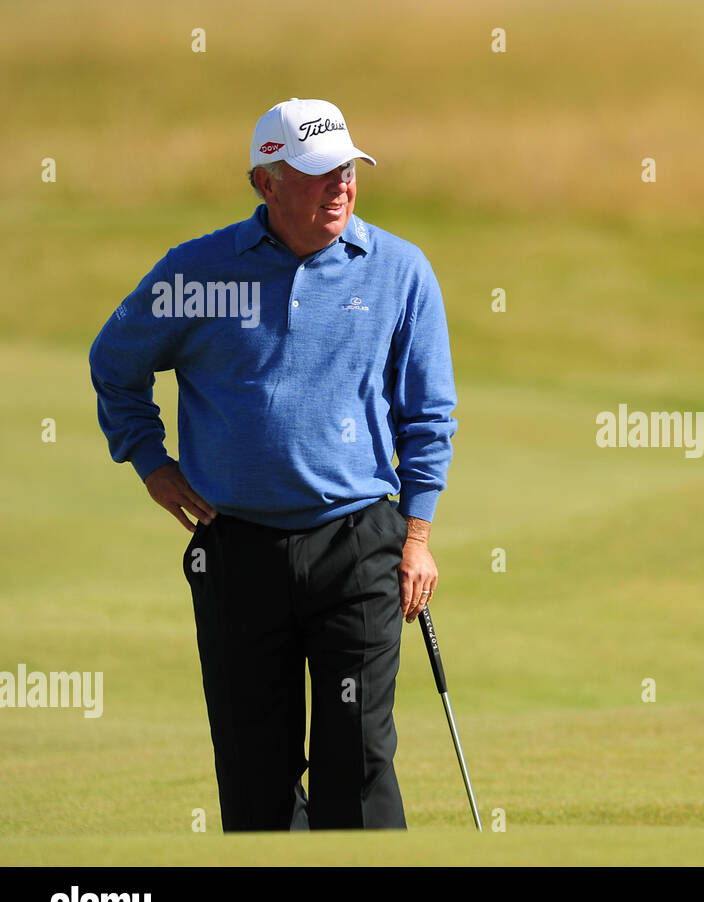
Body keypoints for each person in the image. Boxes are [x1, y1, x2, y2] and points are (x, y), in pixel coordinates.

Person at [89, 97, 458, 831]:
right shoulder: (198, 272)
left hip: (358, 545)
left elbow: (429, 416)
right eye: (320, 173)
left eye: (348, 170)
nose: (340, 186)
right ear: (266, 182)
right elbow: (114, 364)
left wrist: (417, 537)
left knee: (356, 755)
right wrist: (151, 463)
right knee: (253, 766)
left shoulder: (398, 271)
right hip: (238, 551)